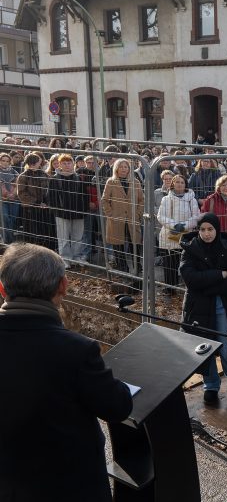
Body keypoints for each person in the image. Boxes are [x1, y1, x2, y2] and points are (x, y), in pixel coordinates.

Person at [0, 243, 133, 501]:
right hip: (70, 485)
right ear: (63, 286)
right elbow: (118, 406)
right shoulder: (76, 351)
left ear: (2, 288)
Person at [180, 213, 227, 408]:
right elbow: (190, 278)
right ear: (197, 230)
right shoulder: (190, 249)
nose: (207, 233)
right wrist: (219, 274)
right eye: (202, 229)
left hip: (223, 305)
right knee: (205, 347)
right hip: (199, 308)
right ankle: (211, 385)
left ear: (217, 230)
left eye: (210, 229)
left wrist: (207, 285)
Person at [102, 158, 145, 282]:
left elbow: (141, 200)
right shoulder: (111, 182)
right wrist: (110, 214)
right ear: (116, 168)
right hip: (116, 219)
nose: (124, 169)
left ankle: (137, 267)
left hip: (132, 219)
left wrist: (137, 214)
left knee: (135, 243)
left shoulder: (135, 182)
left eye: (126, 167)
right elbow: (104, 200)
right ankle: (123, 269)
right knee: (118, 245)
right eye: (121, 167)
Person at [157, 174, 200, 294]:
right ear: (172, 184)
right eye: (177, 182)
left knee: (186, 264)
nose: (179, 184)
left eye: (182, 182)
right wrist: (174, 225)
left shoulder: (192, 199)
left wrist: (184, 226)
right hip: (168, 235)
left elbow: (196, 216)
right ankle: (170, 288)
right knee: (169, 264)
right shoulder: (166, 199)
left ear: (185, 184)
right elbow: (161, 216)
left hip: (186, 236)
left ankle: (188, 289)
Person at [48, 154, 88, 266]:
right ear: (60, 165)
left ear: (73, 164)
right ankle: (65, 259)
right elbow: (51, 197)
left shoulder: (79, 178)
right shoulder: (55, 179)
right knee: (63, 238)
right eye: (64, 163)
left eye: (69, 163)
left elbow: (85, 196)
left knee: (78, 237)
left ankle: (76, 257)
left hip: (78, 213)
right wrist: (57, 211)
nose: (67, 165)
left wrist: (84, 211)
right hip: (62, 214)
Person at [16, 153, 51, 247]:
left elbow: (49, 190)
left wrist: (46, 202)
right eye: (34, 162)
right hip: (29, 209)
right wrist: (37, 203)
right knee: (30, 232)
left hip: (44, 208)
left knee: (44, 231)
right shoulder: (23, 176)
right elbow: (22, 194)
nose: (35, 164)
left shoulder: (44, 175)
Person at [0, 152, 18, 243]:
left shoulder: (13, 171)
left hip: (13, 199)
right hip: (2, 200)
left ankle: (9, 239)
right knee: (5, 217)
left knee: (12, 219)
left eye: (7, 161)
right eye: (3, 161)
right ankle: (8, 240)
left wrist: (13, 194)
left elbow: (18, 184)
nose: (5, 163)